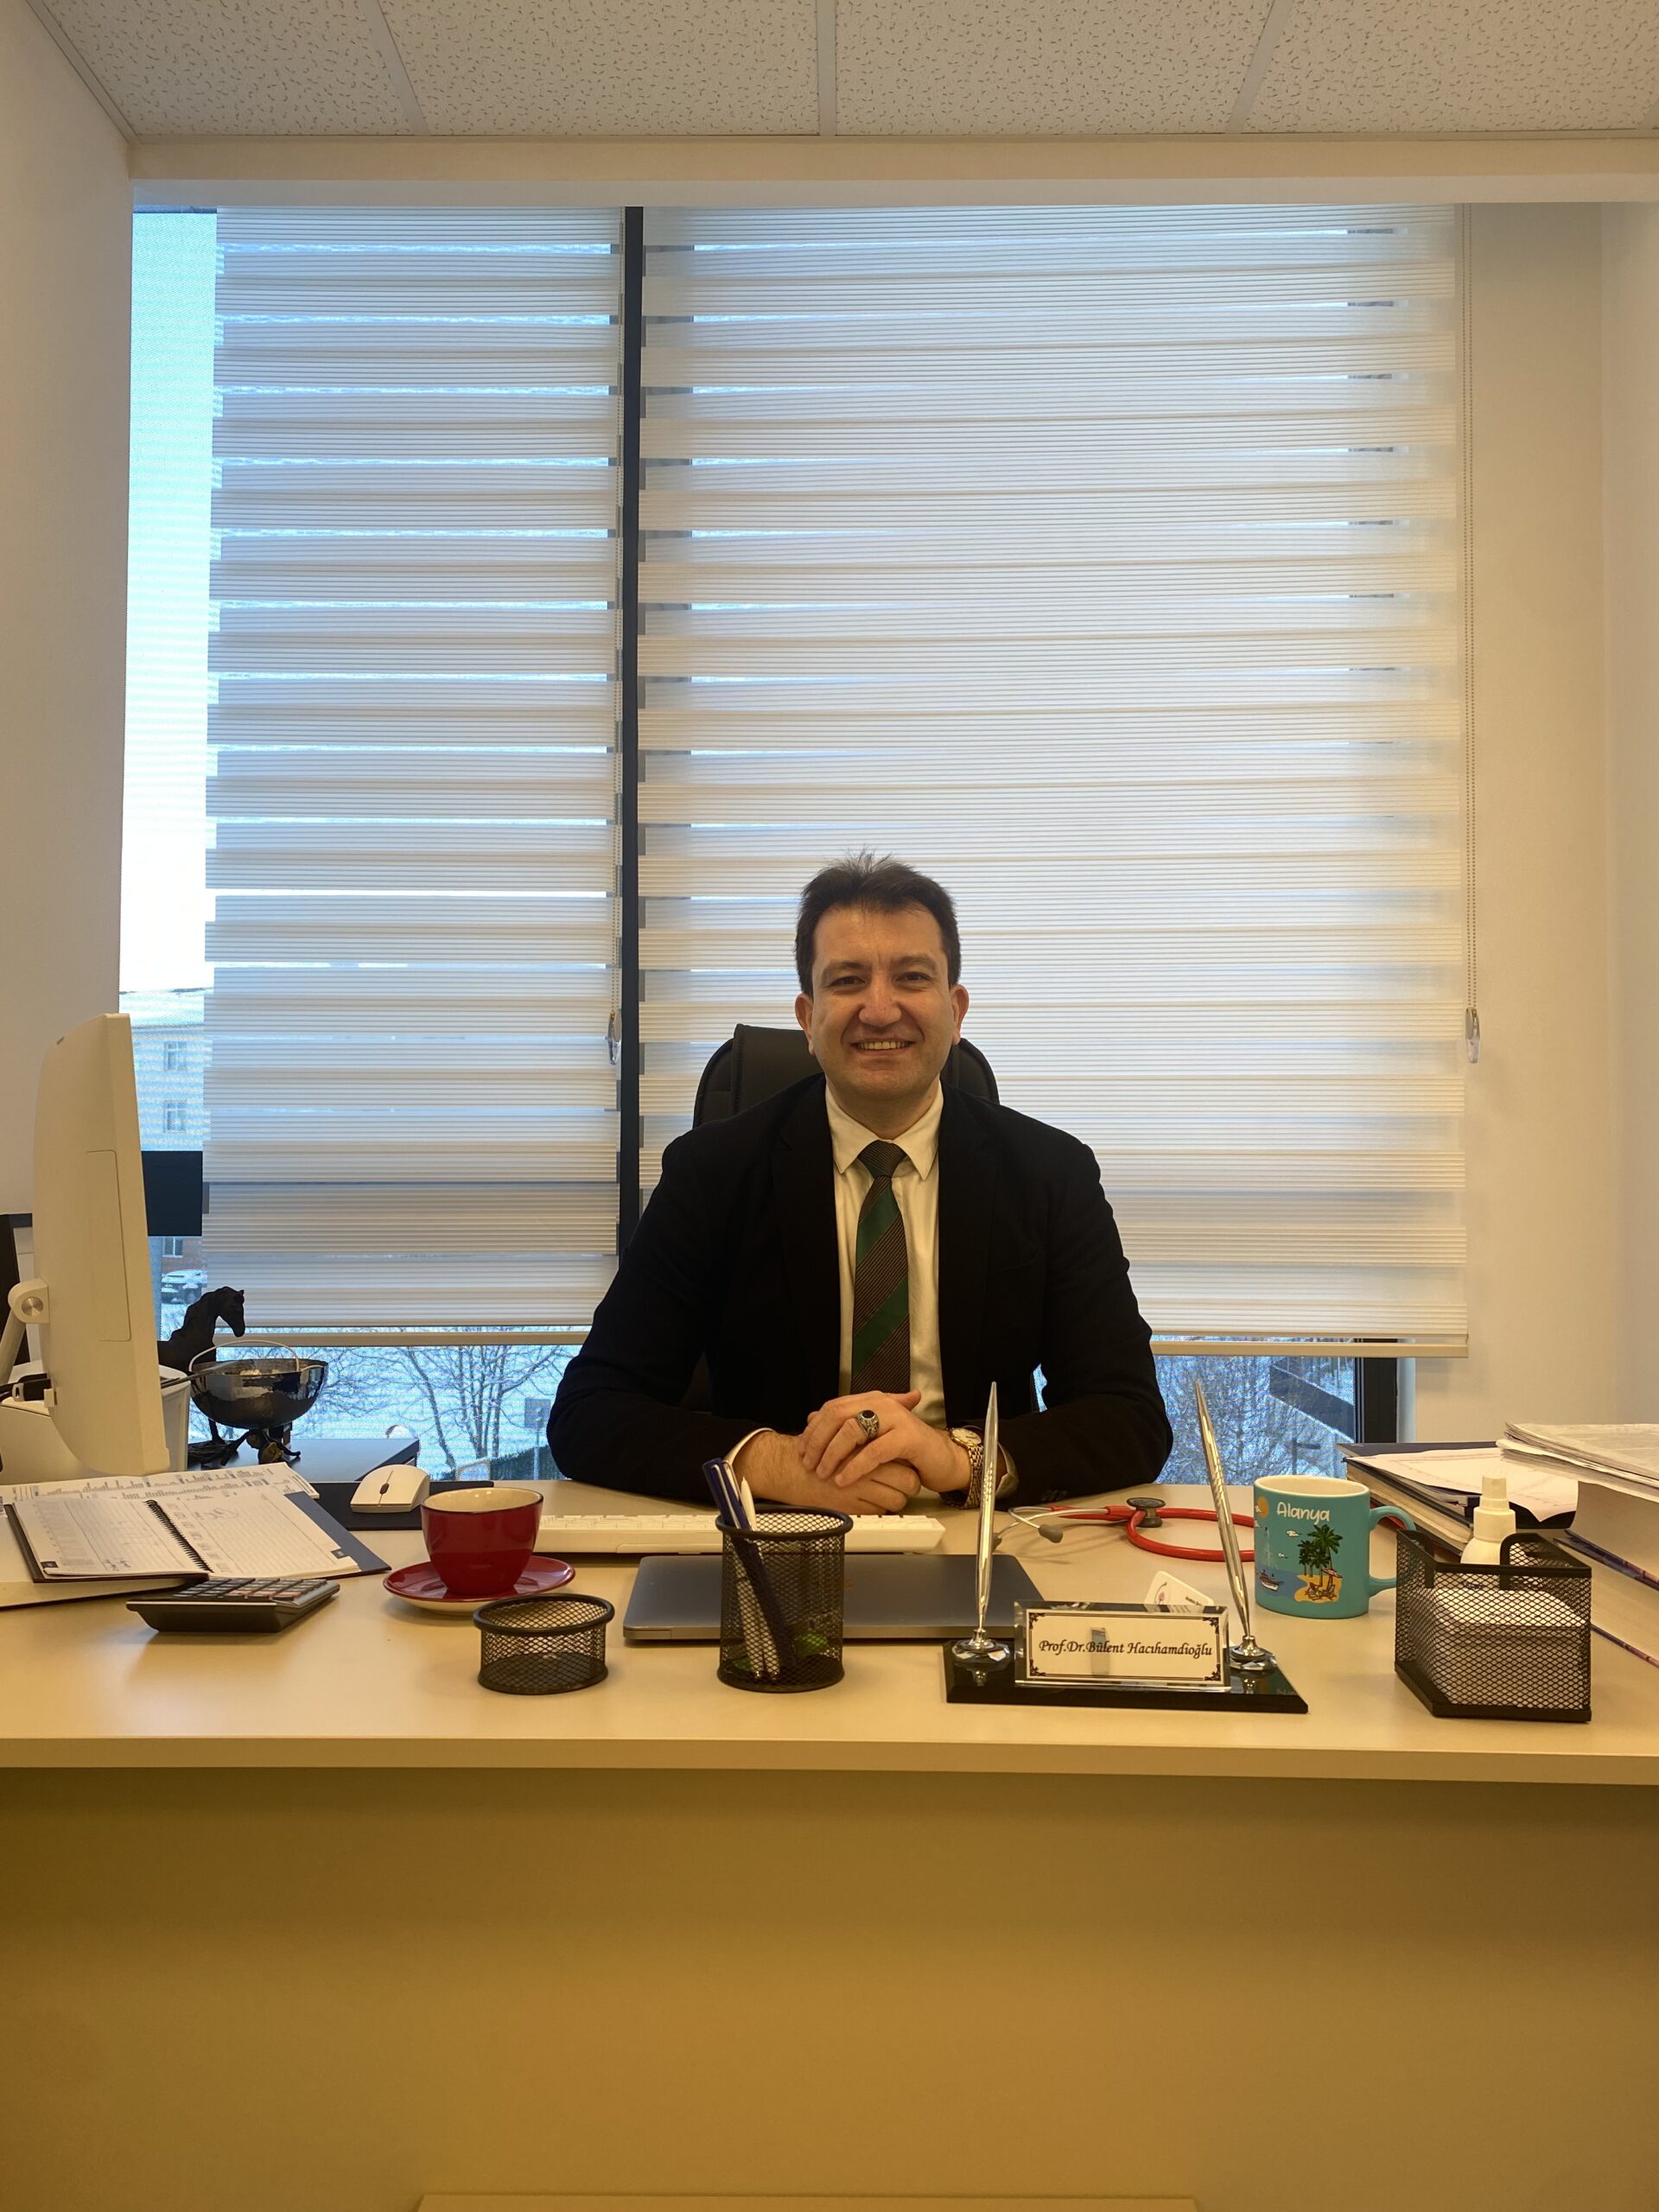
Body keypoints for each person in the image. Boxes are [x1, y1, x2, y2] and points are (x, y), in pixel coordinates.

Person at [549, 855, 1170, 1510]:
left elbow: (1129, 1413)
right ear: (807, 1017)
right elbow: (591, 1410)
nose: (879, 1010)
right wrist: (776, 1463)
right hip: (781, 1528)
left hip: (978, 1525)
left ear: (956, 1010)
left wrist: (960, 1457)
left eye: (912, 977)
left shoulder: (1051, 1173)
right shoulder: (712, 1174)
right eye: (848, 981)